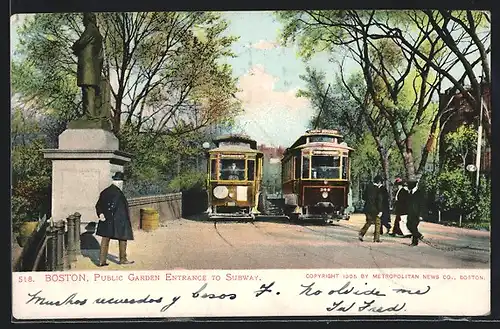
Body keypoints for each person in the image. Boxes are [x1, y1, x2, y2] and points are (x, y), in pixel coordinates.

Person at [95, 172, 134, 266]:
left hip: (106, 219)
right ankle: (123, 259)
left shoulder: (105, 191)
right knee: (123, 238)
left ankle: (101, 261)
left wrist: (101, 214)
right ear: (119, 182)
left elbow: (98, 205)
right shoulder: (118, 193)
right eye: (122, 182)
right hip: (119, 220)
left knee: (105, 239)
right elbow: (114, 205)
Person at [71, 12, 104, 119]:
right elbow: (100, 55)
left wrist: (74, 46)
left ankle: (90, 115)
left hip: (88, 67)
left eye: (83, 19)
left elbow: (81, 42)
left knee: (88, 90)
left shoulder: (90, 29)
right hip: (93, 67)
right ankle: (90, 113)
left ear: (87, 19)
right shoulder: (97, 33)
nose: (82, 21)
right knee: (89, 90)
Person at [359, 175, 384, 243]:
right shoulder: (378, 190)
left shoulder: (368, 187)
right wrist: (380, 210)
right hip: (375, 209)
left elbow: (363, 197)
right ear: (379, 182)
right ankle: (376, 238)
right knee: (378, 223)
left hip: (367, 208)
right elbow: (379, 201)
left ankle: (361, 233)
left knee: (369, 222)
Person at [406, 177, 425, 246]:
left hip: (416, 213)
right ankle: (418, 235)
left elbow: (422, 204)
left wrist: (421, 215)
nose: (408, 186)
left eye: (409, 184)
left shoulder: (419, 193)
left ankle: (415, 242)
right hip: (410, 213)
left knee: (413, 226)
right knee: (408, 225)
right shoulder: (409, 192)